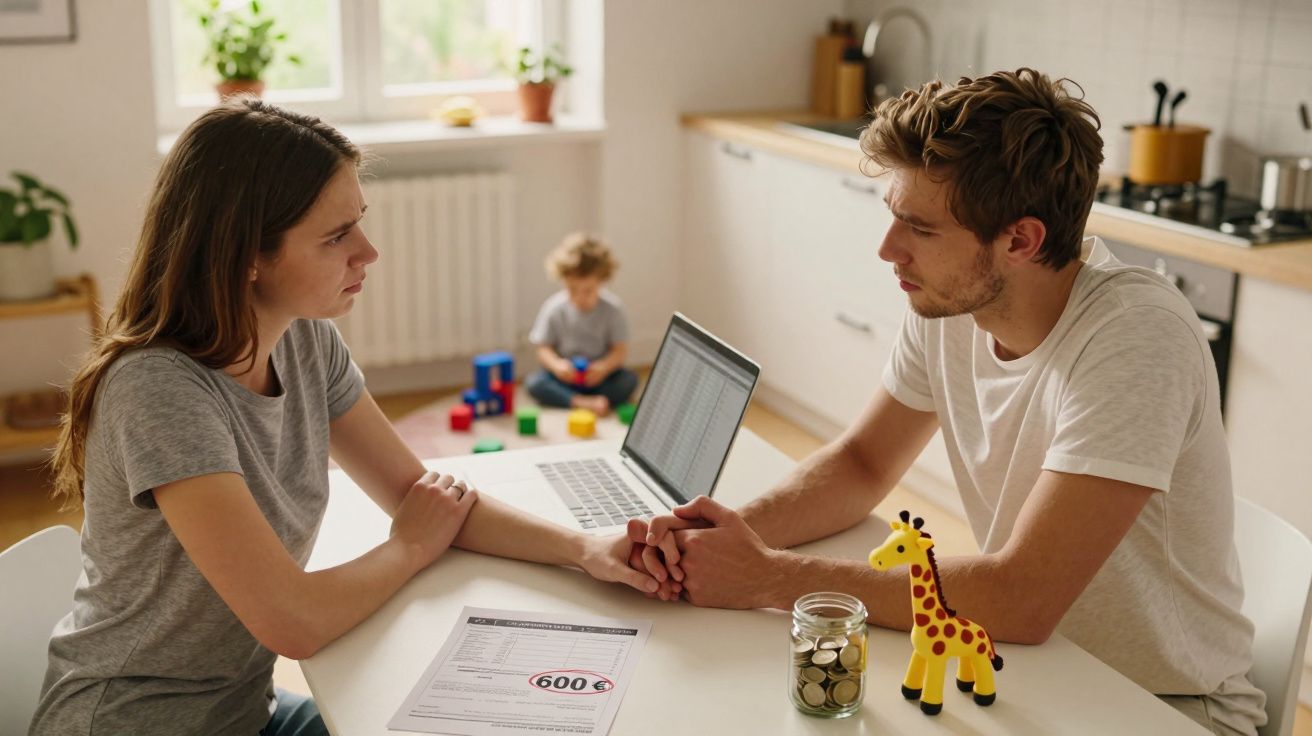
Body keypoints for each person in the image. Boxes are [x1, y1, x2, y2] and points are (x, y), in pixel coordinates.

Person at [629, 69, 1266, 735]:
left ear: (1020, 241)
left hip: (1166, 707)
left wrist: (768, 578)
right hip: (1030, 669)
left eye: (919, 228)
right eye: (893, 216)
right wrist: (719, 538)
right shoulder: (953, 304)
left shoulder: (1135, 337)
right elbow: (862, 463)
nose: (888, 250)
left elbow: (1022, 596)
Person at [31, 98, 658, 736]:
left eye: (358, 223)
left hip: (247, 711)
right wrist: (409, 546)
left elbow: (422, 498)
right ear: (246, 255)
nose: (369, 252)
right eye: (336, 237)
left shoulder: (304, 341)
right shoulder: (157, 390)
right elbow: (294, 622)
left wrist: (588, 549)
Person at [525, 232, 639, 416]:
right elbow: (543, 349)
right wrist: (557, 365)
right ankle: (581, 402)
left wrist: (604, 367)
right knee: (534, 383)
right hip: (566, 378)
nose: (580, 297)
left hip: (599, 378)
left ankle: (592, 399)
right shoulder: (554, 308)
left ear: (602, 281)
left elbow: (620, 351)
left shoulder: (613, 310)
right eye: (572, 289)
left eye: (588, 291)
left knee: (629, 380)